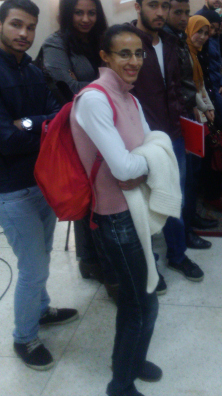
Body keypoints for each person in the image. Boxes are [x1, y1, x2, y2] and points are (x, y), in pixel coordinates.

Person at [71, 24, 164, 396]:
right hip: (115, 217)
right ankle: (120, 384)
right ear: (105, 57)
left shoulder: (129, 97)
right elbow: (126, 167)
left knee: (139, 298)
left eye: (139, 53)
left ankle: (133, 362)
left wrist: (145, 160)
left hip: (135, 206)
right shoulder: (95, 100)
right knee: (141, 303)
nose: (134, 61)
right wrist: (150, 161)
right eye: (124, 53)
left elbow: (149, 144)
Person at [0, 0, 78, 371]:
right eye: (16, 24)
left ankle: (42, 309)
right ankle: (24, 338)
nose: (24, 33)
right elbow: (4, 139)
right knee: (33, 267)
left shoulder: (32, 71)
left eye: (30, 26)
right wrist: (40, 127)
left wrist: (29, 123)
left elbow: (58, 117)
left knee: (42, 256)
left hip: (42, 180)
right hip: (11, 189)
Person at [129, 0, 204, 285]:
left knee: (175, 196)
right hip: (140, 138)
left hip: (172, 133)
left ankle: (178, 254)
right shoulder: (127, 44)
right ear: (138, 7)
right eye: (153, 5)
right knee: (142, 203)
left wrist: (186, 118)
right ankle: (148, 265)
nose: (160, 12)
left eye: (164, 6)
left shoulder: (171, 43)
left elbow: (177, 87)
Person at [41, 0, 113, 291]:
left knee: (107, 190)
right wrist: (108, 84)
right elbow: (67, 89)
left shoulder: (102, 39)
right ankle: (90, 260)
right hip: (76, 129)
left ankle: (107, 254)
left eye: (91, 12)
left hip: (106, 124)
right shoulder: (55, 43)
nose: (85, 19)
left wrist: (92, 84)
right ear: (67, 13)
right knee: (89, 193)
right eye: (78, 12)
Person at [164, 0, 218, 239]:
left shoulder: (184, 46)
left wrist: (207, 107)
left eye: (187, 12)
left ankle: (191, 218)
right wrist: (204, 108)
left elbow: (197, 84)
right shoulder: (173, 46)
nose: (184, 18)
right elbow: (181, 86)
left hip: (192, 115)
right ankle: (185, 230)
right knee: (183, 178)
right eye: (178, 12)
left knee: (194, 172)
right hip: (181, 119)